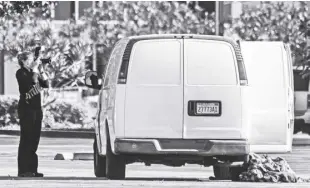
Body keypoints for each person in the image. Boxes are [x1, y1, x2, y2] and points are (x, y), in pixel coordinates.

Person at [16, 51, 49, 177]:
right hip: (26, 109)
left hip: (37, 109)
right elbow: (32, 82)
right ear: (23, 61)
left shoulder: (34, 72)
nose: (32, 61)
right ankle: (23, 170)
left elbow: (45, 84)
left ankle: (33, 169)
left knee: (35, 139)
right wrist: (35, 69)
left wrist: (42, 70)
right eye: (30, 59)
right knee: (26, 139)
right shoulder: (21, 73)